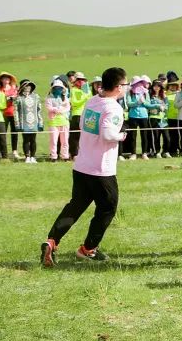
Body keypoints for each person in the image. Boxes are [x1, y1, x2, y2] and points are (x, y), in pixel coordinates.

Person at [41, 67, 128, 265]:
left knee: (75, 206)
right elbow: (107, 135)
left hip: (81, 165)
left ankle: (52, 241)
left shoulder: (92, 101)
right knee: (108, 208)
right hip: (101, 169)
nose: (126, 87)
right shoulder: (113, 107)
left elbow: (82, 124)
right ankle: (88, 249)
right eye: (125, 84)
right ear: (117, 87)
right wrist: (121, 135)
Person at [13, 79, 43, 164]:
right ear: (22, 87)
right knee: (26, 140)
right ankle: (27, 157)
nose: (28, 88)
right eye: (26, 86)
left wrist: (40, 122)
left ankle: (33, 157)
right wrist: (17, 124)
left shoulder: (36, 97)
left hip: (34, 122)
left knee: (33, 139)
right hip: (23, 122)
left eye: (29, 86)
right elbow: (15, 111)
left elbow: (39, 110)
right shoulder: (18, 98)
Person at [46, 78, 72, 162]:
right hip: (53, 121)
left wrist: (60, 109)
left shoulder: (65, 98)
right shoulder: (49, 98)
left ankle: (65, 156)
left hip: (64, 121)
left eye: (60, 88)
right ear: (53, 88)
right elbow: (48, 107)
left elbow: (67, 108)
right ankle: (53, 157)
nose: (58, 89)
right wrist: (56, 109)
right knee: (53, 140)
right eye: (56, 87)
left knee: (65, 140)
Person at [68, 72, 89, 158]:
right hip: (77, 115)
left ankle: (84, 153)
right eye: (79, 80)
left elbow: (90, 99)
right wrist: (84, 97)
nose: (81, 82)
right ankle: (74, 153)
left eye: (83, 80)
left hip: (86, 114)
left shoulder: (86, 90)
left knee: (85, 135)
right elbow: (74, 103)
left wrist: (87, 95)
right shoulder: (73, 90)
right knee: (75, 135)